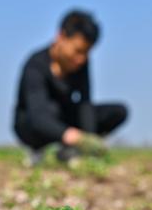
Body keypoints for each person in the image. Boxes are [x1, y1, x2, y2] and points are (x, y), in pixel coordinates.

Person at [13, 9, 128, 165]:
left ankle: (68, 152)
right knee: (50, 110)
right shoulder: (35, 65)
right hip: (33, 123)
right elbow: (37, 114)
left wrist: (88, 137)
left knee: (117, 111)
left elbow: (84, 104)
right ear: (61, 37)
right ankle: (38, 150)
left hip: (65, 120)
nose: (81, 58)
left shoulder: (81, 64)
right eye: (78, 51)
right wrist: (70, 135)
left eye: (87, 53)